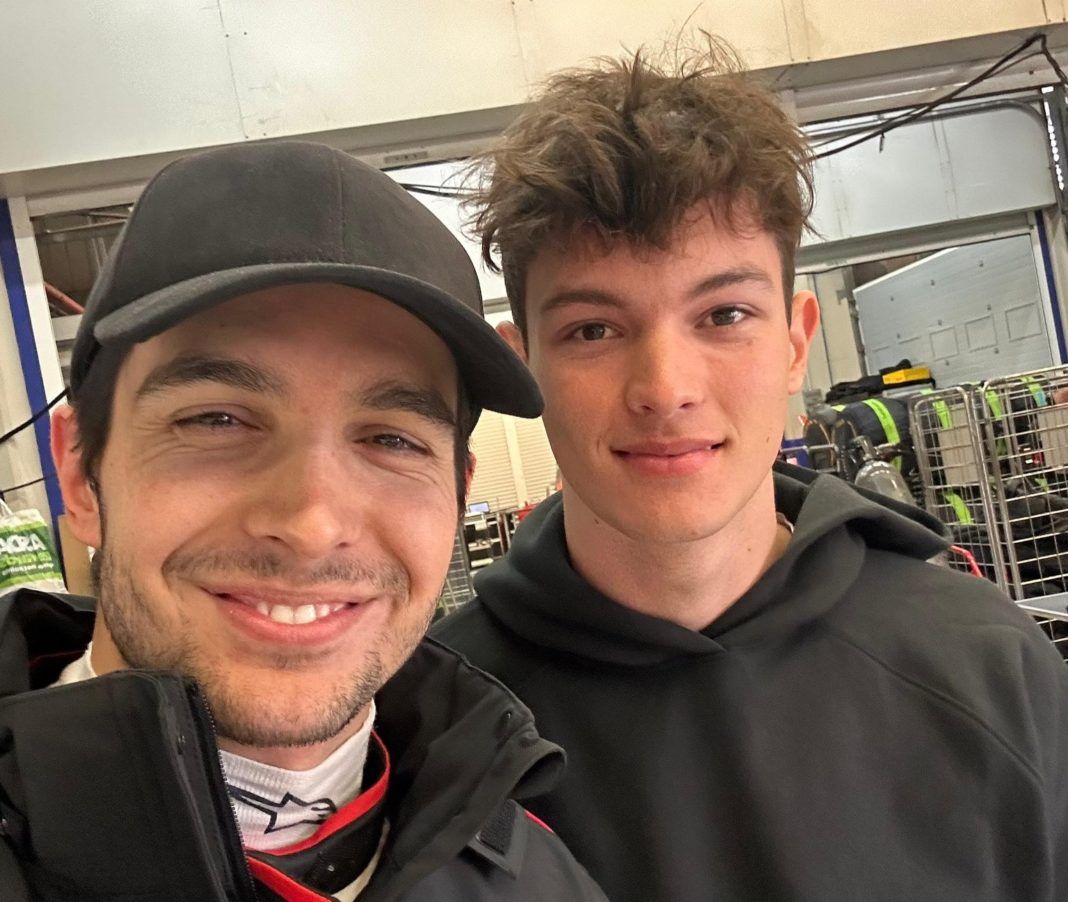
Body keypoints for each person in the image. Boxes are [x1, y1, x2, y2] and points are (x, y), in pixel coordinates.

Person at [432, 42, 1068, 902]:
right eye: (593, 329)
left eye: (724, 314)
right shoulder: (435, 723)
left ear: (796, 341)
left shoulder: (990, 670)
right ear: (524, 366)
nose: (666, 389)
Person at [0, 141, 608, 902]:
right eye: (217, 420)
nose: (312, 524)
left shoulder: (538, 880)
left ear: (456, 495)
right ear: (80, 475)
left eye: (392, 439)